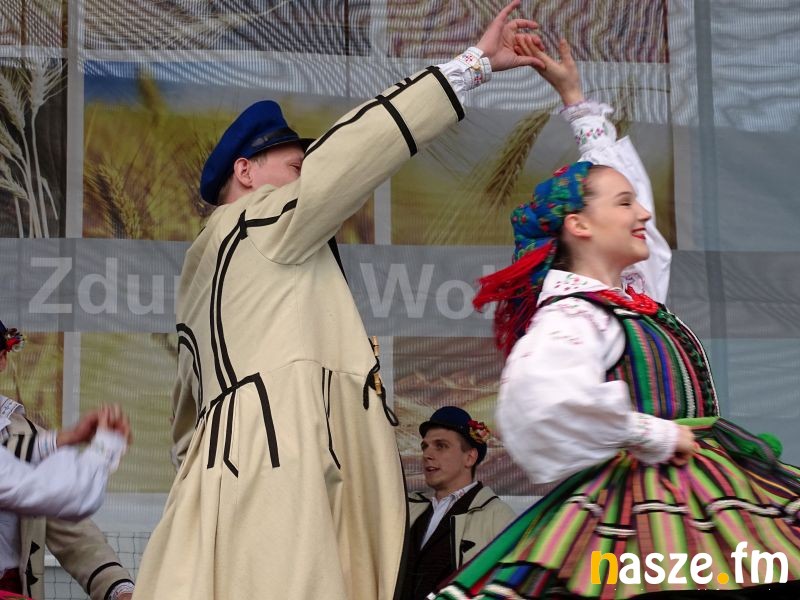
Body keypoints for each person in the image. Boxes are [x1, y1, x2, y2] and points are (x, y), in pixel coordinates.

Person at [132, 3, 548, 598]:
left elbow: (184, 426)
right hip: (288, 470)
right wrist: (472, 65)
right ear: (246, 173)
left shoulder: (203, 268)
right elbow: (355, 152)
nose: (306, 179)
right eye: (295, 167)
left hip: (230, 479)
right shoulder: (260, 220)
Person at [432, 39, 800, 599]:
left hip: (700, 484)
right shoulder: (575, 314)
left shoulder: (631, 295)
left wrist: (577, 103)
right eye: (624, 204)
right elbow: (542, 397)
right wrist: (649, 431)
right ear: (579, 226)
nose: (643, 212)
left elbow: (627, 191)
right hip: (645, 502)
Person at [0, 321, 132, 599]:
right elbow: (65, 493)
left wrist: (118, 588)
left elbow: (76, 536)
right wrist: (104, 446)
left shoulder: (25, 435)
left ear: (2, 359)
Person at [401, 406, 515, 600]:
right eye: (425, 446)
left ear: (469, 457)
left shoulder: (499, 519)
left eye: (441, 446)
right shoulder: (406, 509)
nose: (427, 454)